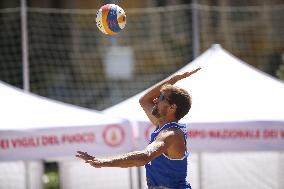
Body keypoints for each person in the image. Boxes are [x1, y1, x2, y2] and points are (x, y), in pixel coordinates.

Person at [76, 67, 201, 189]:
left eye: (162, 98)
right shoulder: (162, 125)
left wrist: (103, 162)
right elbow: (144, 100)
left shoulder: (171, 134)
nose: (156, 99)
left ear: (172, 108)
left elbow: (144, 157)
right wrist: (175, 78)